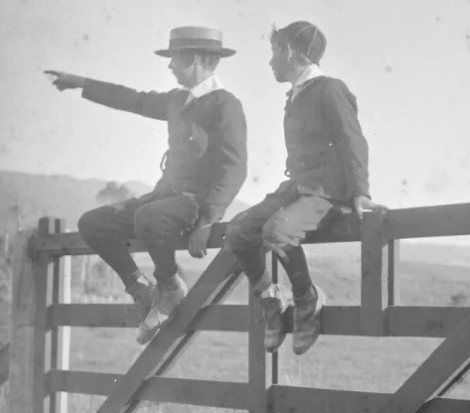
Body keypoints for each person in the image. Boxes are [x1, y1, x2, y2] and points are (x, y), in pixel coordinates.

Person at [45, 26, 247, 344]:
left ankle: (170, 285)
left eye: (175, 60)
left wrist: (208, 220)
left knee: (148, 217)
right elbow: (131, 99)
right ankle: (142, 290)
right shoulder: (177, 100)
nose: (169, 67)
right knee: (93, 223)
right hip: (162, 200)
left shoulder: (226, 106)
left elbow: (234, 170)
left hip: (194, 203)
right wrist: (81, 83)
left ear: (195, 59)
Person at [224, 21, 385, 356]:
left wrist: (360, 192)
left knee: (277, 231)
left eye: (274, 51)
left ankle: (306, 300)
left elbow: (352, 140)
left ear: (291, 51)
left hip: (326, 193)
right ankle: (272, 301)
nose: (270, 61)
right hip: (298, 188)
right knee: (238, 231)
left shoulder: (329, 89)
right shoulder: (297, 93)